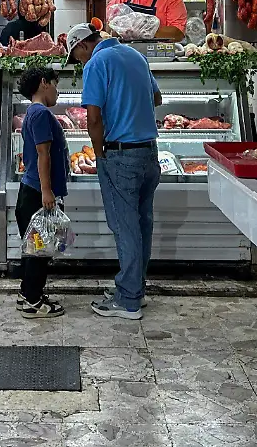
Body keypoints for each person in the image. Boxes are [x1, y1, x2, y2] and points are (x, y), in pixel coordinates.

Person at [66, 21, 161, 320]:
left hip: (120, 154)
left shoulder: (96, 63)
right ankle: (135, 289)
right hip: (149, 151)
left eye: (76, 56)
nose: (78, 62)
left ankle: (128, 301)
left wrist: (99, 153)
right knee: (142, 223)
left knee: (125, 226)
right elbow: (156, 98)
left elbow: (93, 118)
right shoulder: (135, 56)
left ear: (83, 45)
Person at [13, 67, 68, 318]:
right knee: (39, 249)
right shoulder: (42, 114)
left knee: (33, 248)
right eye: (55, 84)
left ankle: (27, 293)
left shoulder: (32, 113)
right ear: (43, 83)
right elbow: (43, 154)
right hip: (37, 192)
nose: (57, 91)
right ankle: (33, 303)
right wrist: (48, 192)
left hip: (31, 189)